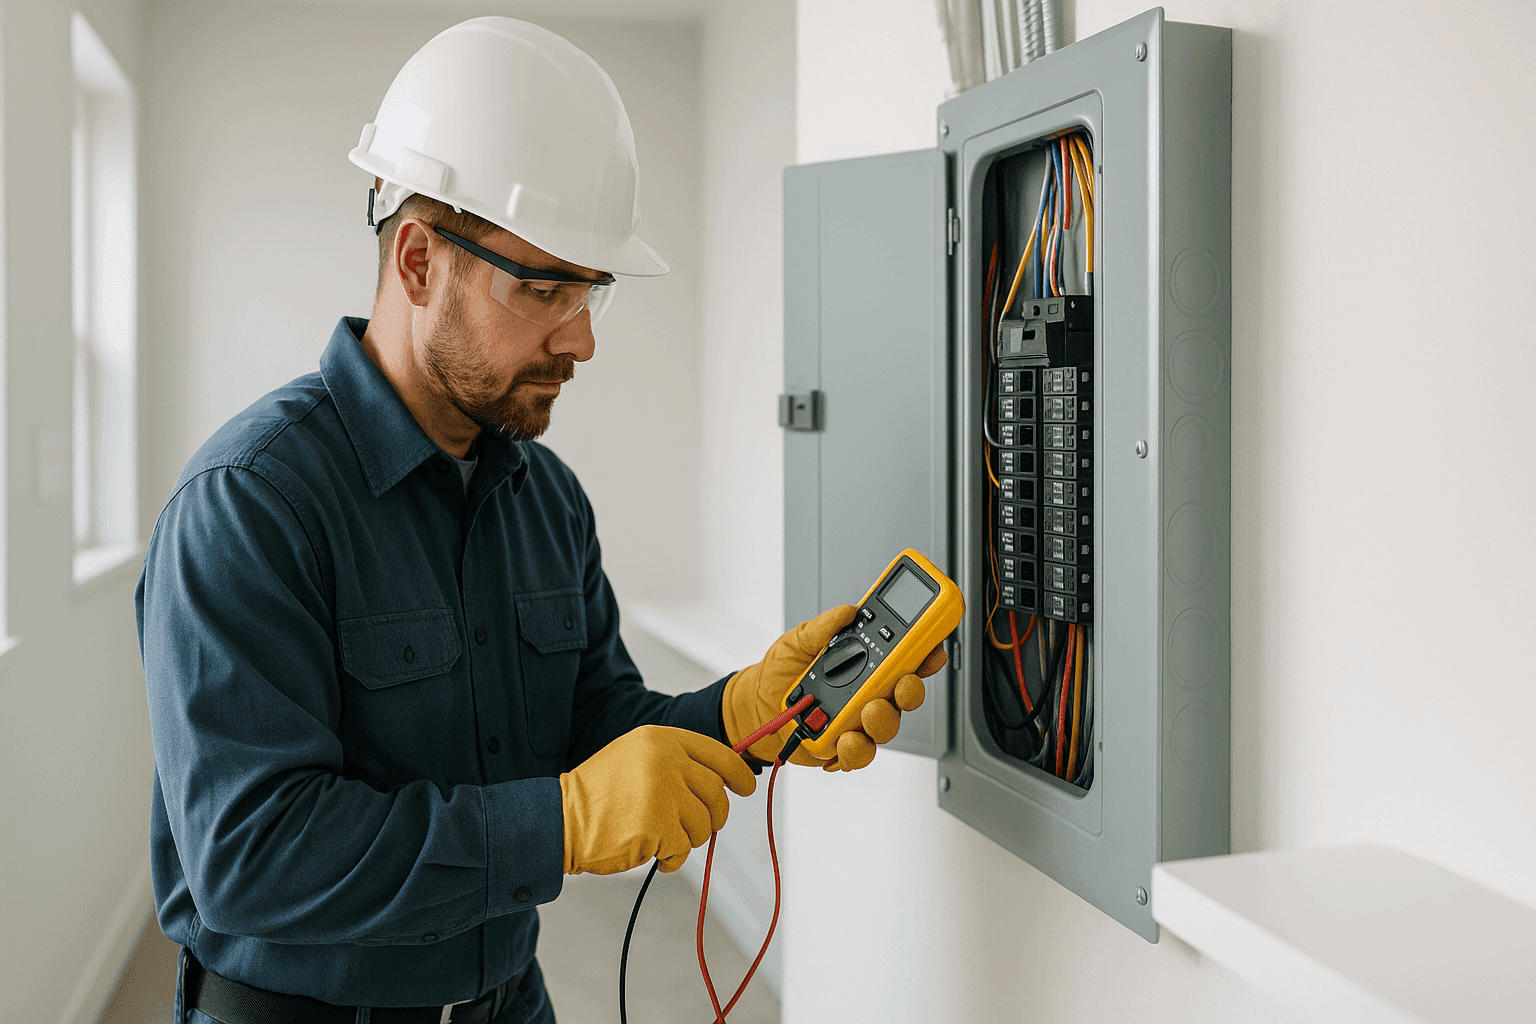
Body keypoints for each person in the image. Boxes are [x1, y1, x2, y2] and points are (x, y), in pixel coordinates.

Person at [136, 16, 944, 1024]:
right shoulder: (250, 505)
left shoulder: (544, 498)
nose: (583, 338)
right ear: (420, 261)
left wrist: (743, 715)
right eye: (544, 288)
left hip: (508, 1001)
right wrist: (557, 824)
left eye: (591, 290)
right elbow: (252, 855)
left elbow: (594, 734)